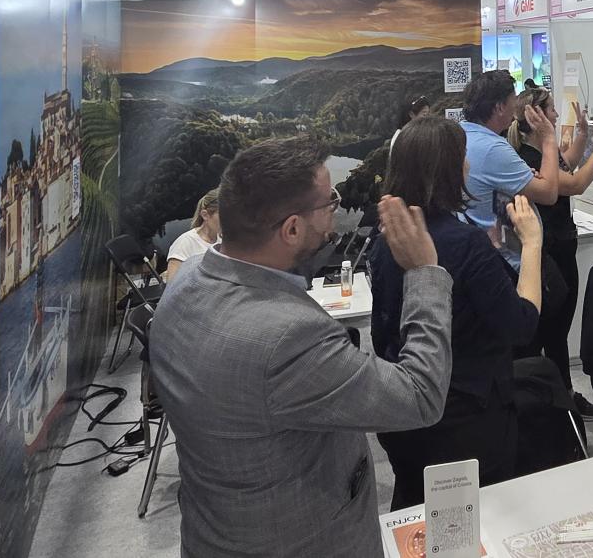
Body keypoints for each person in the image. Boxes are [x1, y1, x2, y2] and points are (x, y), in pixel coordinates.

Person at [148, 136, 452, 558]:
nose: (333, 219)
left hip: (216, 531)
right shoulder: (288, 339)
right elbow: (420, 396)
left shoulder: (185, 281)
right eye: (330, 204)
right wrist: (424, 271)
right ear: (291, 229)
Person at [371, 116, 544, 507]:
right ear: (448, 169)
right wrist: (531, 243)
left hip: (407, 419)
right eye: (463, 157)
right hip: (468, 422)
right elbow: (521, 325)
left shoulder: (385, 243)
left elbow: (383, 335)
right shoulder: (465, 244)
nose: (468, 165)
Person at [508, 88, 593, 417]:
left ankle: (560, 398)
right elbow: (575, 183)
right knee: (552, 331)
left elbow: (569, 161)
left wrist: (582, 133)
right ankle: (559, 403)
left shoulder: (542, 152)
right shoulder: (528, 159)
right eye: (551, 109)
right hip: (550, 254)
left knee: (556, 331)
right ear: (537, 116)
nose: (555, 115)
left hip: (561, 249)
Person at [459, 70, 566, 265]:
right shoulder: (492, 148)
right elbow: (549, 193)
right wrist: (549, 138)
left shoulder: (461, 134)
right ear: (500, 107)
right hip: (507, 263)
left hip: (478, 254)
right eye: (513, 101)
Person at [165, 189, 221, 281]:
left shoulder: (224, 241)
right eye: (223, 215)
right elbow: (172, 284)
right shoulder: (185, 243)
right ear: (205, 215)